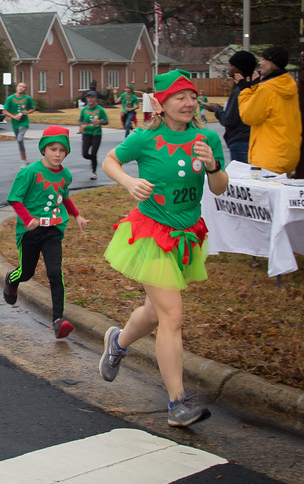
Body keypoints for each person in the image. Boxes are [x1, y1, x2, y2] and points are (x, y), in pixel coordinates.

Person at [98, 69, 228, 427]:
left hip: (187, 235)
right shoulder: (145, 138)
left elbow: (218, 187)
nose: (188, 103)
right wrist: (128, 181)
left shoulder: (206, 138)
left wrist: (214, 164)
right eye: (179, 97)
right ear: (163, 103)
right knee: (172, 316)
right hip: (151, 233)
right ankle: (177, 403)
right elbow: (111, 160)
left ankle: (118, 343)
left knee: (155, 313)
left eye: (192, 96)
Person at [2, 126, 90, 338]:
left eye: (62, 150)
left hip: (52, 231)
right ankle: (11, 280)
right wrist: (27, 219)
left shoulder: (65, 174)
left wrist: (77, 215)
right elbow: (15, 198)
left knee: (54, 272)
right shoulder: (30, 172)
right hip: (30, 232)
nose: (57, 154)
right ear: (44, 149)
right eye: (53, 149)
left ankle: (58, 320)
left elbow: (64, 196)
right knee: (26, 272)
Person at [237, 45, 302, 175]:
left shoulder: (267, 89)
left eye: (264, 59)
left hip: (269, 157)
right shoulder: (289, 85)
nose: (260, 62)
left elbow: (249, 116)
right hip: (287, 154)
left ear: (273, 62)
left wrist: (245, 91)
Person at [203, 50, 255, 163]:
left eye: (232, 65)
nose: (229, 68)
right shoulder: (251, 87)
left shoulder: (241, 91)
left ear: (239, 69)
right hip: (247, 140)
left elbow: (229, 119)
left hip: (241, 141)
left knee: (241, 177)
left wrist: (216, 109)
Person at [2, 82, 36, 168]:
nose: (21, 88)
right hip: (15, 123)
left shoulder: (27, 98)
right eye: (20, 86)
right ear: (17, 87)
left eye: (23, 87)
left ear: (25, 90)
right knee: (19, 142)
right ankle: (24, 159)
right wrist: (13, 117)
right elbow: (4, 111)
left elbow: (33, 108)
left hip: (24, 122)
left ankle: (23, 161)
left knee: (20, 138)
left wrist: (27, 112)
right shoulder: (10, 98)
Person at [78, 89, 108, 179]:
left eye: (92, 97)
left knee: (94, 153)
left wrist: (99, 122)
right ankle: (93, 160)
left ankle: (94, 172)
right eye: (88, 97)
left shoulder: (100, 109)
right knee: (85, 154)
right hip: (86, 133)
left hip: (96, 134)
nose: (90, 99)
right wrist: (81, 126)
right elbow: (80, 120)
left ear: (95, 98)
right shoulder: (84, 110)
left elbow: (106, 121)